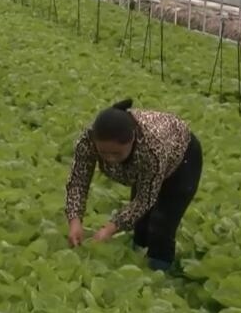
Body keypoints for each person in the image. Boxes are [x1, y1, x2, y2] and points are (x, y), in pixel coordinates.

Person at [64, 98, 203, 271]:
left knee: (161, 224)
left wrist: (109, 229)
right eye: (103, 152)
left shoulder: (151, 149)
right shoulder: (88, 140)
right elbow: (78, 180)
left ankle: (158, 271)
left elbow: (144, 199)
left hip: (182, 158)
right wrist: (75, 221)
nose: (110, 159)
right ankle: (137, 262)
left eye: (116, 153)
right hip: (148, 164)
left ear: (132, 140)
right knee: (141, 224)